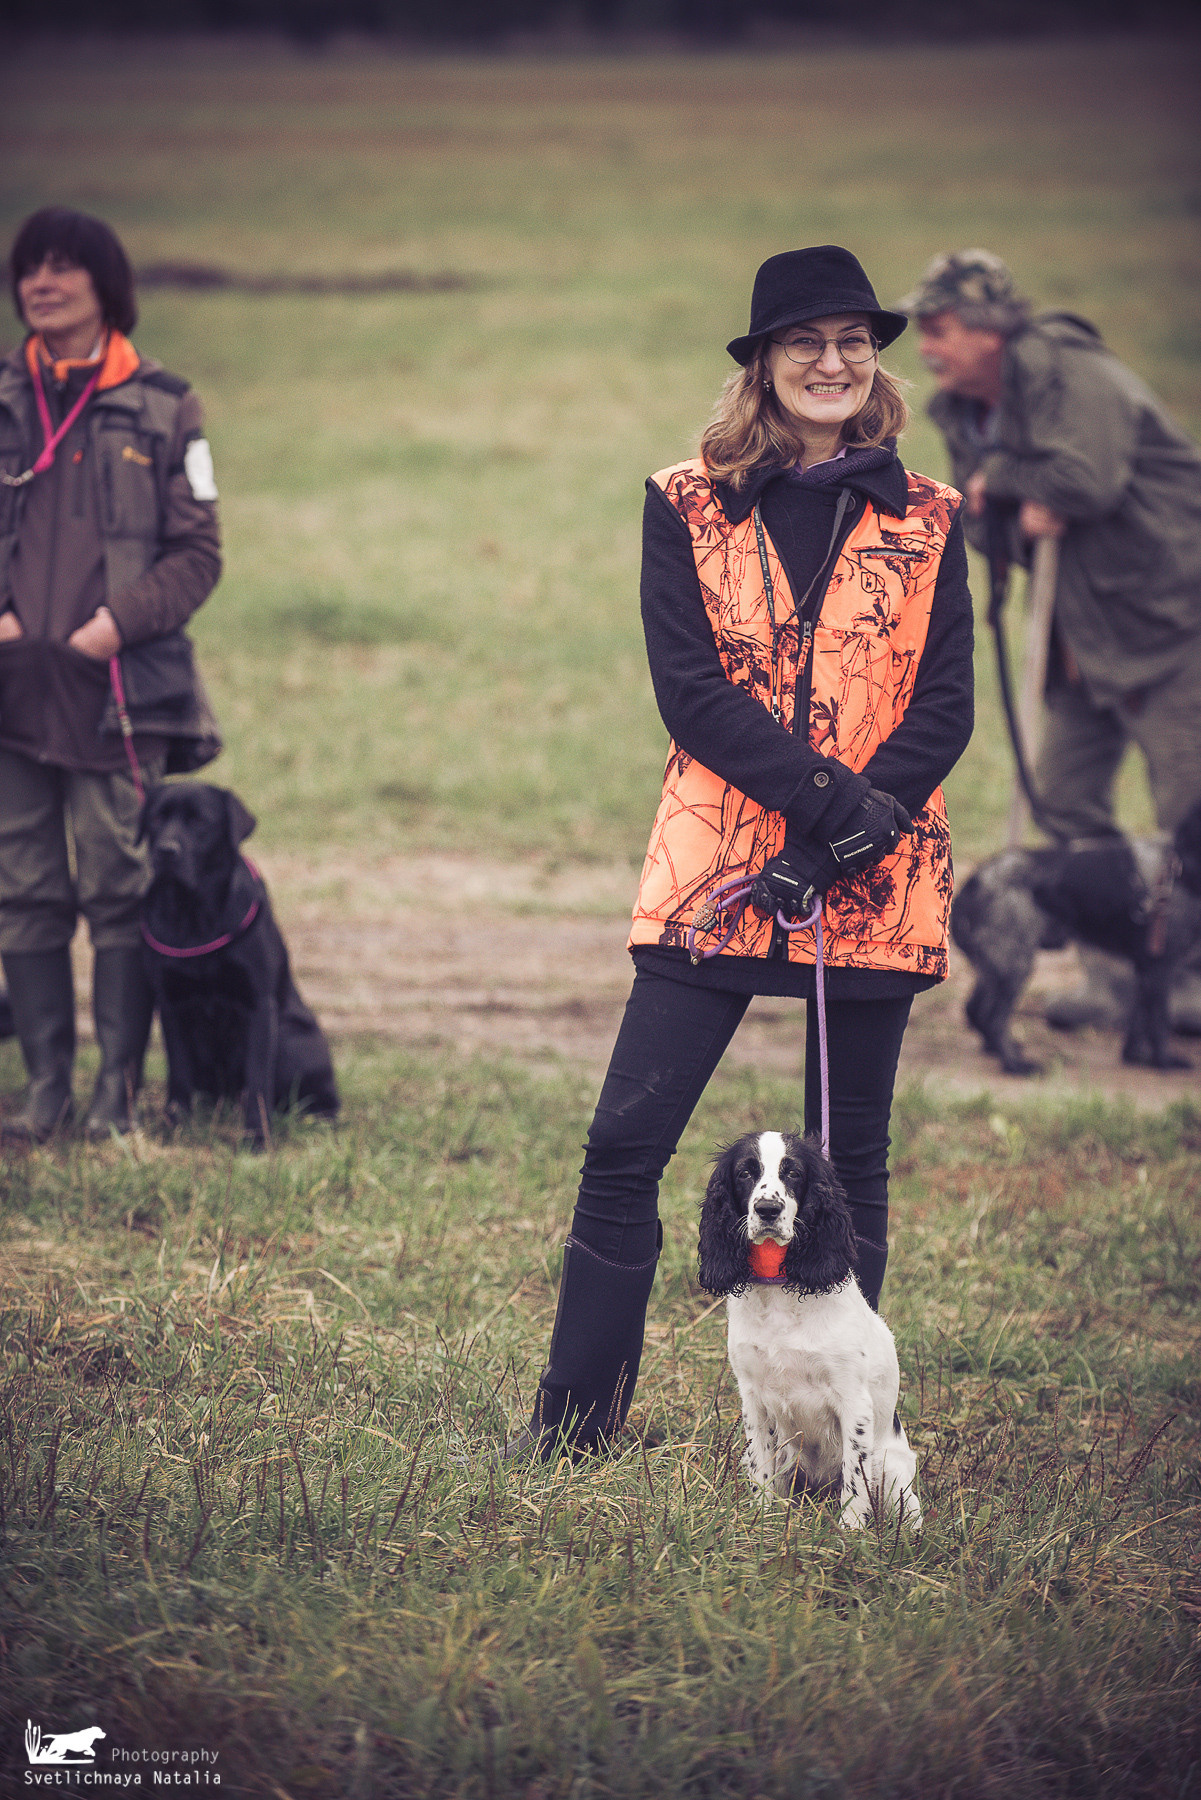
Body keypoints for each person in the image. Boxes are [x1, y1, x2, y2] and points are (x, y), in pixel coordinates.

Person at [505, 245, 975, 1462]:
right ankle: (573, 1434)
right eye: (803, 344)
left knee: (847, 1161)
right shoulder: (685, 500)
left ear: (873, 363)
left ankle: (849, 1441)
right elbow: (691, 692)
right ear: (761, 365)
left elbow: (944, 705)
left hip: (872, 878)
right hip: (714, 869)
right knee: (622, 1146)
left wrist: (846, 840)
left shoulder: (928, 516)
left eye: (852, 343)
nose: (831, 363)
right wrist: (828, 803)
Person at [903, 248, 1201, 1028]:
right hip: (1079, 634)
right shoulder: (960, 409)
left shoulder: (1074, 373)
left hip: (1171, 625)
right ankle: (1117, 984)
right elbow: (973, 521)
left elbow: (1084, 480)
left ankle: (1184, 986)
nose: (925, 346)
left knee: (1192, 813)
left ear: (989, 329)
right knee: (1066, 803)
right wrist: (1005, 507)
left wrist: (1005, 485)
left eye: (939, 328)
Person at [0, 207, 222, 1142]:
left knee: (120, 884)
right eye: (29, 270)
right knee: (24, 885)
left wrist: (112, 627)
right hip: (13, 690)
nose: (41, 284)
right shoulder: (5, 397)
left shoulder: (168, 404)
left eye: (62, 269)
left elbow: (198, 551)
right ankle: (48, 1087)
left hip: (117, 692)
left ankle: (113, 1096)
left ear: (104, 285)